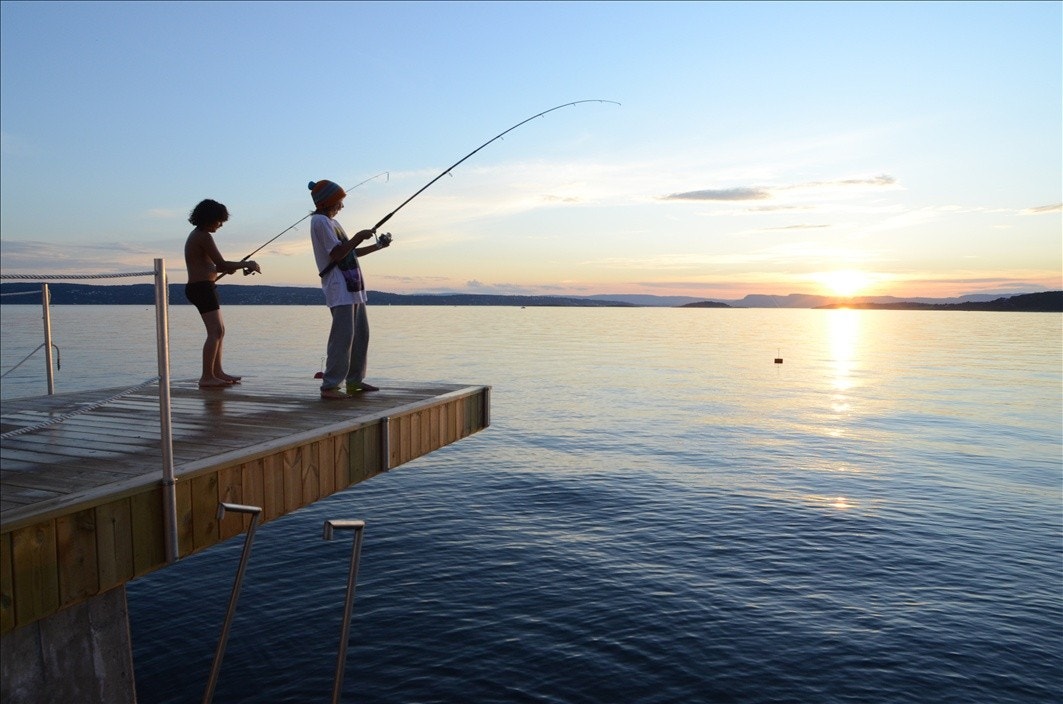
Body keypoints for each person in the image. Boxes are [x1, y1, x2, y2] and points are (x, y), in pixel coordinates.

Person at [308, 179, 390, 399]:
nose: (341, 206)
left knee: (360, 336)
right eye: (339, 202)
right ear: (327, 202)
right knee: (342, 338)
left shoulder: (333, 223)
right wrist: (356, 237)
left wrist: (377, 245)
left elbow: (349, 252)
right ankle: (330, 386)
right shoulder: (320, 222)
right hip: (339, 287)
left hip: (354, 288)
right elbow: (336, 254)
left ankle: (354, 381)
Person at [183, 198, 261, 388]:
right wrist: (246, 264)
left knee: (220, 331)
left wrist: (227, 268)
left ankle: (217, 372)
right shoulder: (203, 236)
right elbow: (222, 264)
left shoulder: (199, 235)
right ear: (210, 218)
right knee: (215, 331)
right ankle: (206, 377)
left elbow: (212, 266)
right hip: (201, 288)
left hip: (206, 287)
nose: (221, 224)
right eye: (219, 220)